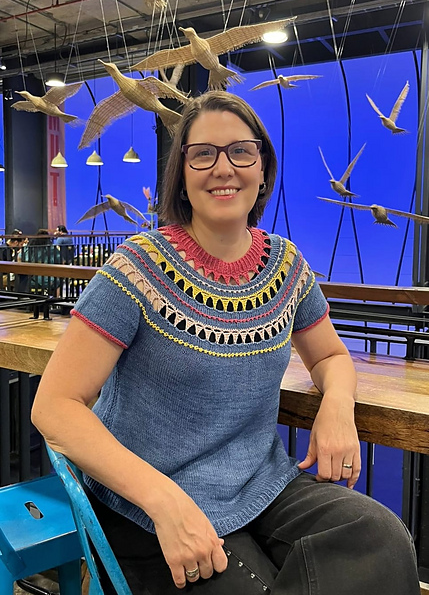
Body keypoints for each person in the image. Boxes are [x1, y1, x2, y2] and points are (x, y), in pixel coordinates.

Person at [32, 92, 420, 595]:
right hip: (146, 503)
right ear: (182, 175)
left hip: (260, 484)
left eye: (240, 151)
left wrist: (338, 406)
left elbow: (329, 355)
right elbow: (56, 405)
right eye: (203, 154)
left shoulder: (285, 265)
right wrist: (163, 500)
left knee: (381, 539)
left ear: (262, 169)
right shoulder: (137, 267)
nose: (223, 167)